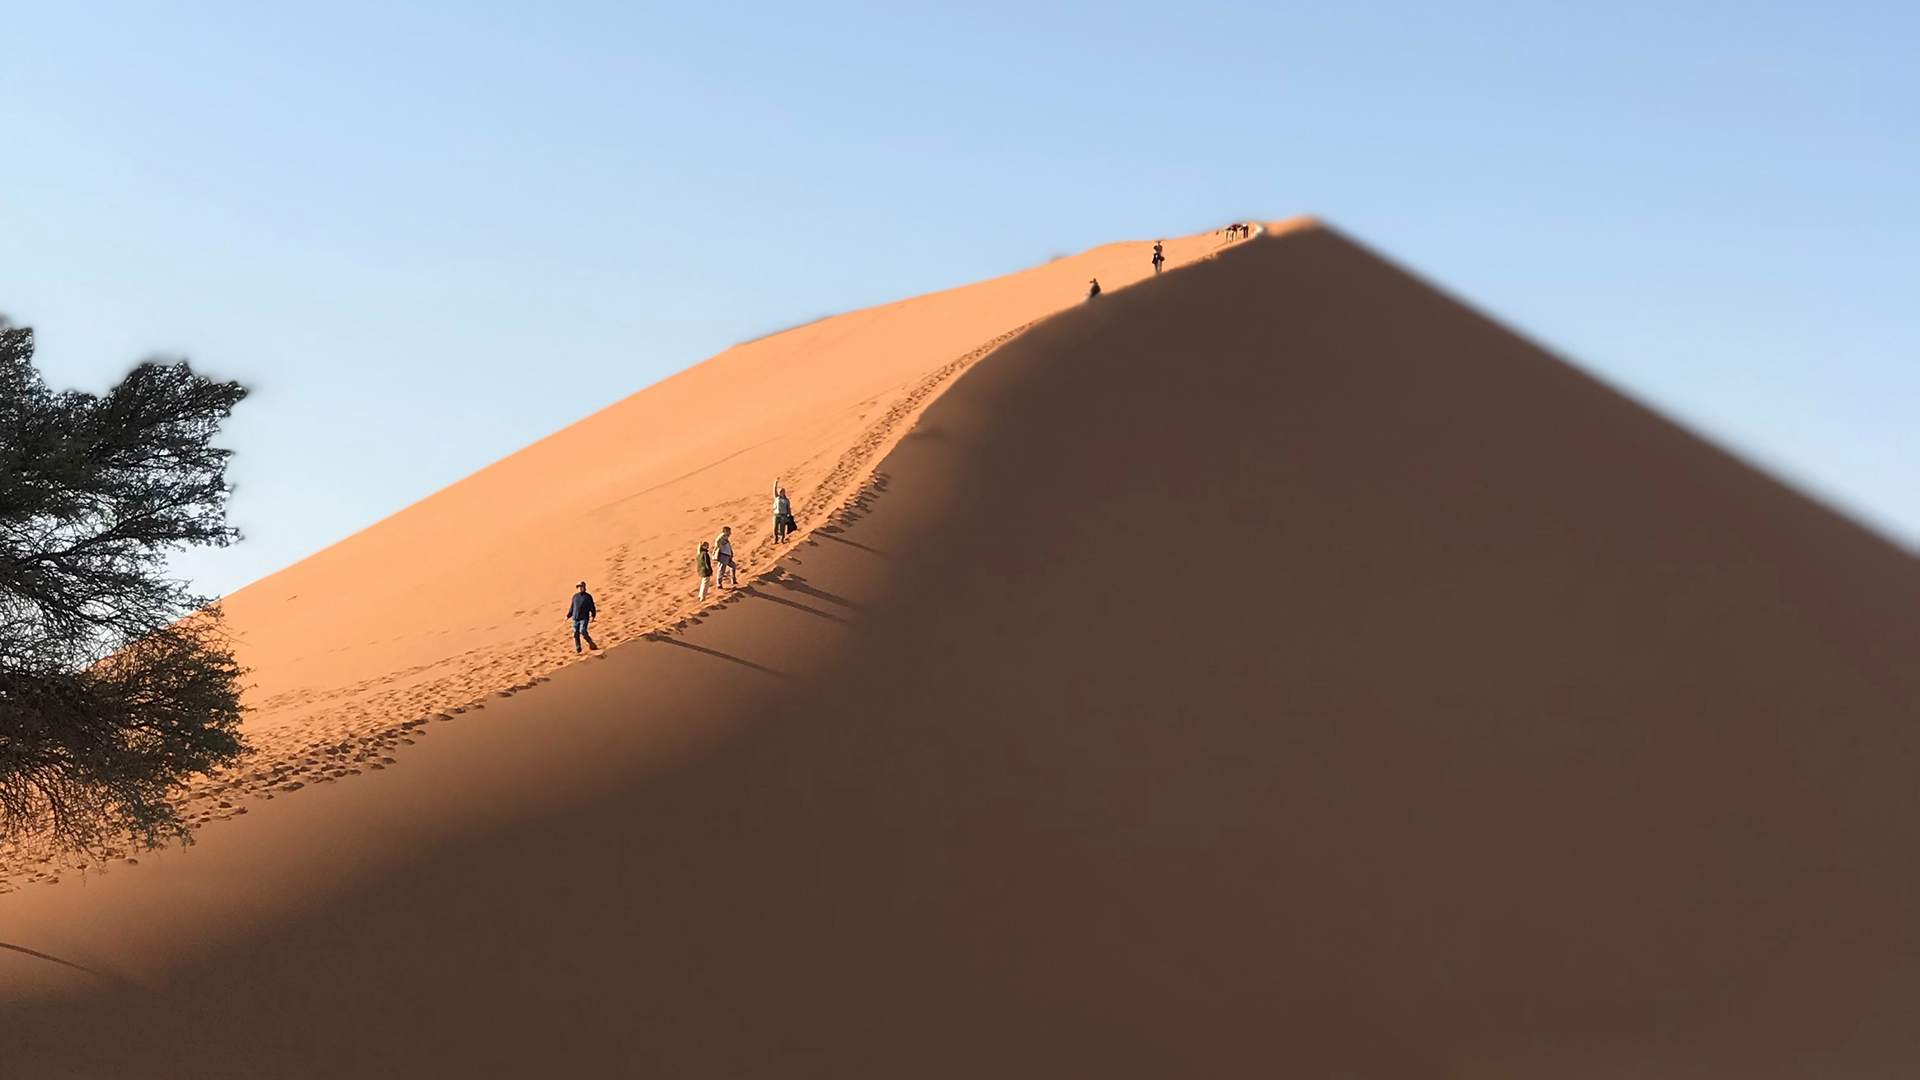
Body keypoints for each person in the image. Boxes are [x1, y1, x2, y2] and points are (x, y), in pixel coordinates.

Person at [567, 581, 598, 653]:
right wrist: (568, 615)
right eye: (579, 587)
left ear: (584, 588)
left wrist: (593, 616)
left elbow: (592, 607)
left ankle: (591, 643)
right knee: (575, 633)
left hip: (584, 618)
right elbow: (572, 607)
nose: (580, 588)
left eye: (581, 587)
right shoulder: (575, 596)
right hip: (575, 618)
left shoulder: (588, 597)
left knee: (583, 631)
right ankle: (578, 648)